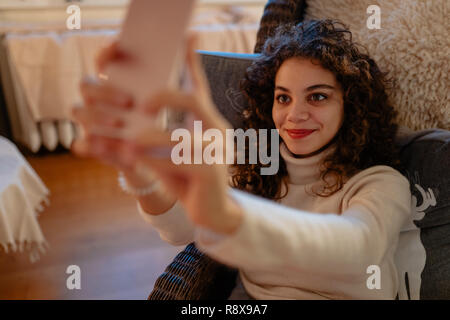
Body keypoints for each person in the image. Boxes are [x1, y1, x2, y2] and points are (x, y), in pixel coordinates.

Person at [71, 19, 411, 300]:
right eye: (283, 97)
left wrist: (227, 213)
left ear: (350, 106)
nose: (294, 115)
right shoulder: (257, 167)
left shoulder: (379, 182)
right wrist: (139, 171)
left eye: (317, 96)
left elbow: (358, 248)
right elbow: (181, 228)